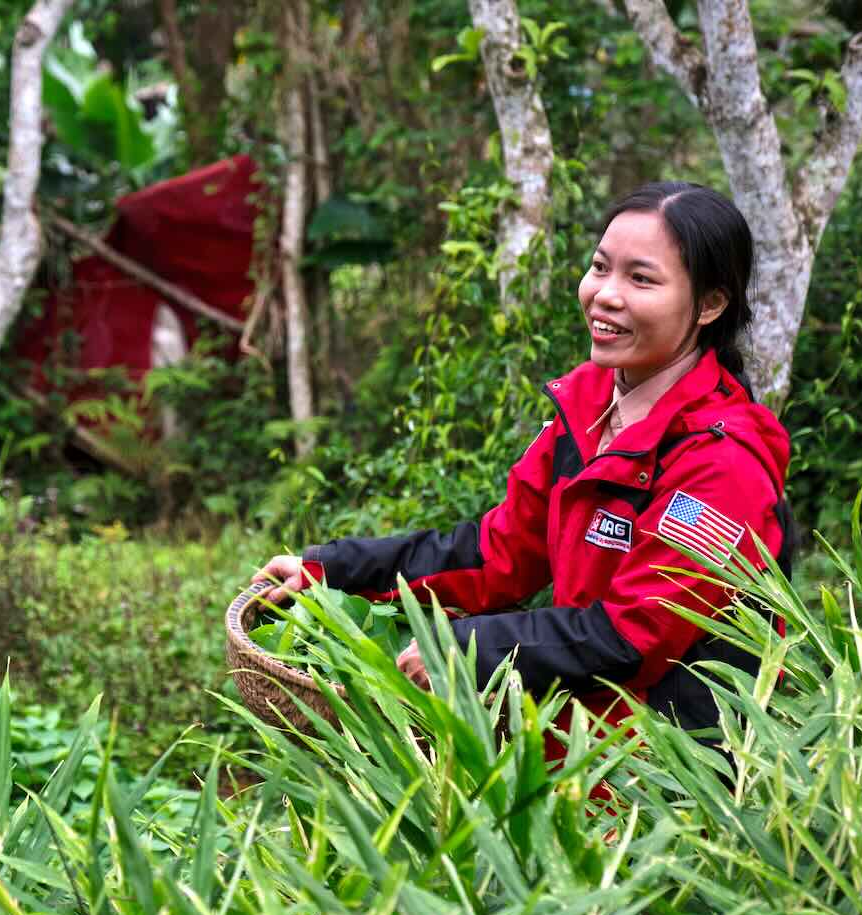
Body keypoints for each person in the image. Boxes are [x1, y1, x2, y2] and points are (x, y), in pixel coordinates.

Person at [257, 182, 793, 736]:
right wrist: (332, 570)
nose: (605, 295)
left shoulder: (720, 461)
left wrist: (463, 646)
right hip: (572, 745)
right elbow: (497, 554)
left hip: (668, 780)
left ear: (709, 304)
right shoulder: (586, 408)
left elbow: (634, 637)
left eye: (641, 279)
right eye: (600, 267)